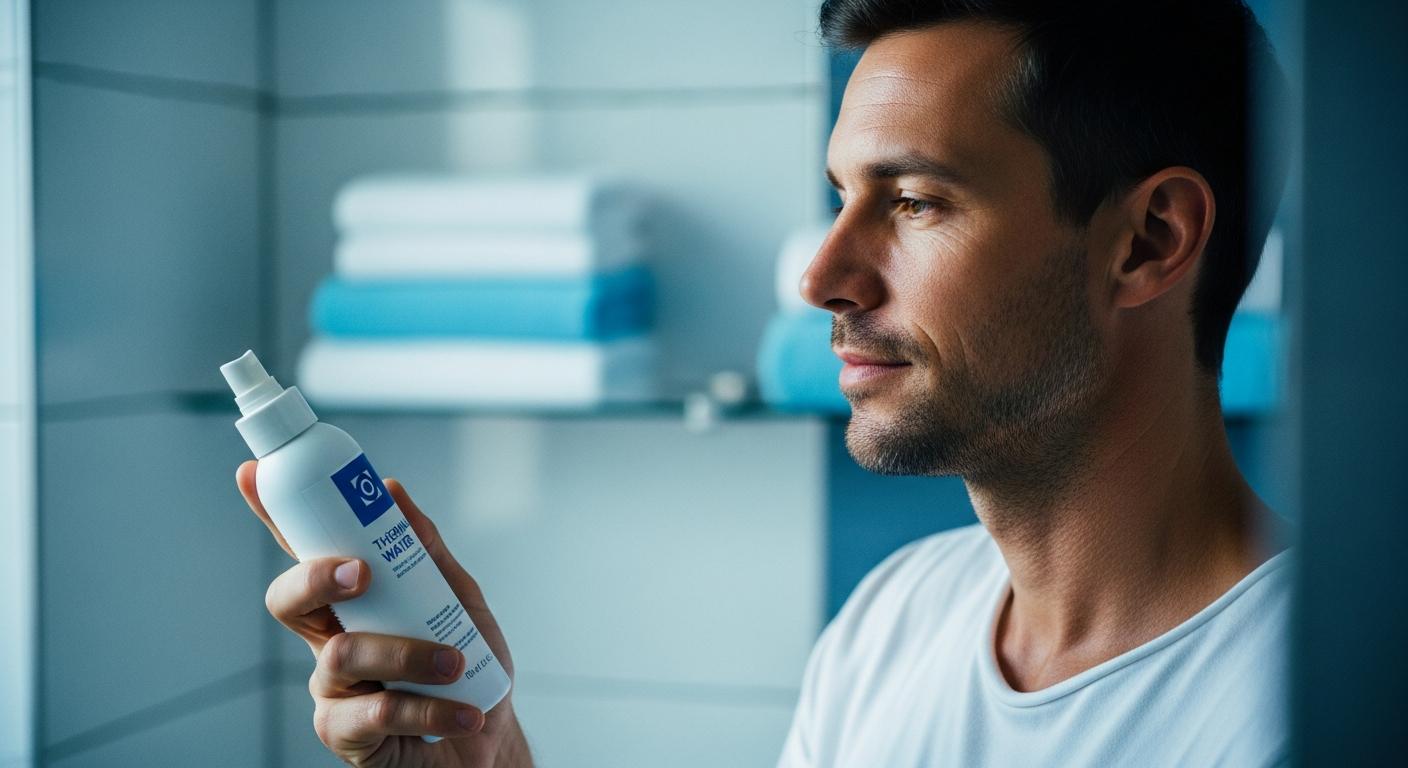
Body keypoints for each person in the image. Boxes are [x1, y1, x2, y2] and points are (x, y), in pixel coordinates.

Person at [236, 0, 1293, 765]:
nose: (821, 275)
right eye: (840, 196)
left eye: (915, 201)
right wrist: (483, 749)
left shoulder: (1315, 705)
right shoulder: (897, 619)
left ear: (1149, 241)